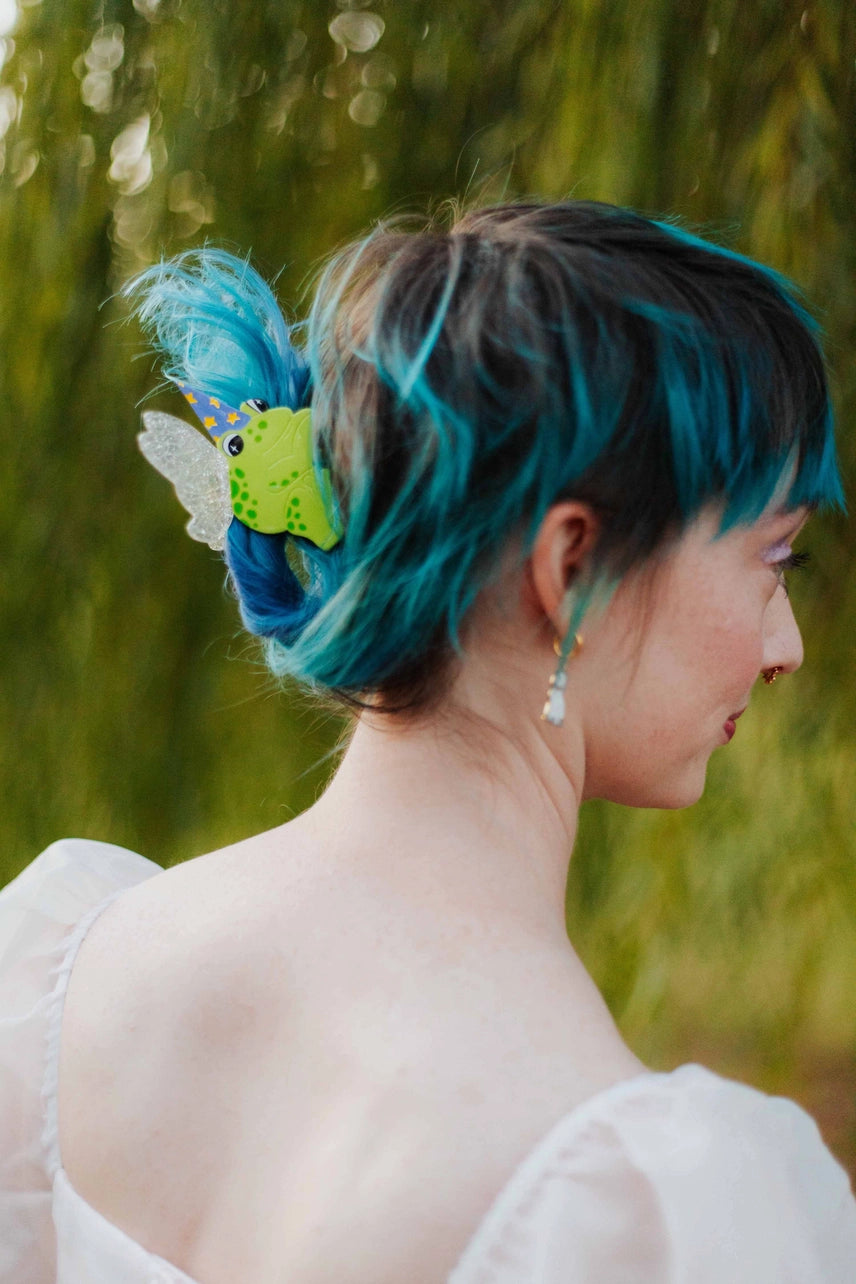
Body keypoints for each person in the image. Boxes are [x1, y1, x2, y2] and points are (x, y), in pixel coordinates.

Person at [1, 200, 854, 1283]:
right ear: (573, 568)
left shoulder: (53, 977)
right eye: (774, 559)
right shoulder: (640, 1209)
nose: (784, 648)